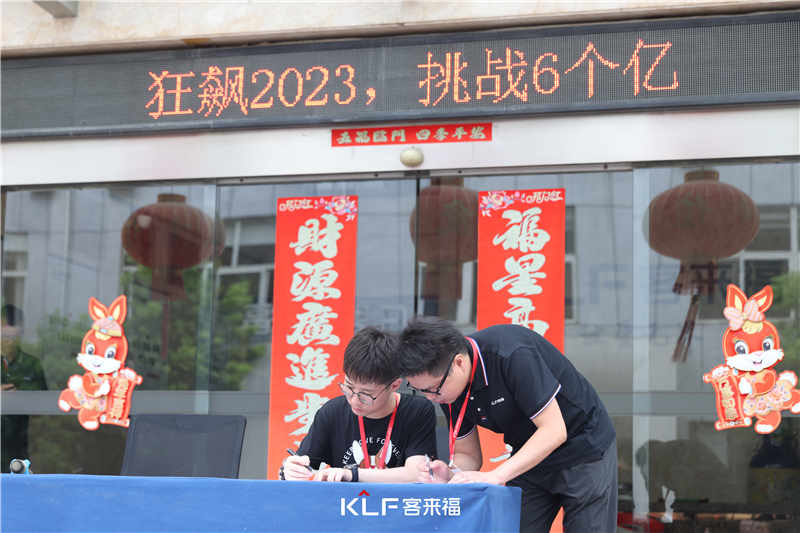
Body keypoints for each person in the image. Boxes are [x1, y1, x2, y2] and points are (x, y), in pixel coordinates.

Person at [397, 318, 617, 533]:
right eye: (421, 391)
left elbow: (554, 431)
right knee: (514, 526)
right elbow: (468, 454)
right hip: (529, 454)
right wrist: (453, 474)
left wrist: (496, 475)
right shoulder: (447, 390)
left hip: (582, 446)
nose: (430, 398)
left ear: (459, 363)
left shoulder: (512, 354)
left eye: (433, 389)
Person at [280, 326, 437, 483]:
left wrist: (352, 475)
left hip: (397, 499)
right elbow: (304, 465)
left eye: (366, 395)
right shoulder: (332, 412)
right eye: (348, 388)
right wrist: (290, 470)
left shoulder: (417, 411)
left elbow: (417, 474)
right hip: (344, 500)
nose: (354, 400)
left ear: (394, 385)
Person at [1, 304, 47, 472]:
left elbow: (44, 408)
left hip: (20, 448)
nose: (8, 341)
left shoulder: (32, 365)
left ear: (21, 334)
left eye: (13, 336)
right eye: (4, 335)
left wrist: (20, 397)